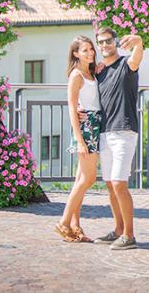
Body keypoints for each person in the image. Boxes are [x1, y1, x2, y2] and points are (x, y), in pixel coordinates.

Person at [89, 26, 144, 251]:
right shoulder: (99, 72)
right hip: (105, 132)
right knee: (111, 185)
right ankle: (119, 230)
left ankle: (129, 236)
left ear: (115, 41)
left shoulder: (126, 65)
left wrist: (139, 41)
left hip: (124, 131)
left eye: (108, 41)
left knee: (120, 184)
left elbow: (137, 56)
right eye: (100, 42)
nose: (104, 45)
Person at [54, 35, 102, 243]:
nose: (90, 53)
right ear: (75, 53)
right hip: (88, 127)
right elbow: (72, 107)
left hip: (96, 123)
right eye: (85, 50)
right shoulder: (76, 75)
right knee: (88, 179)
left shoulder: (91, 72)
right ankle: (64, 222)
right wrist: (80, 139)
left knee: (79, 180)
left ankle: (75, 226)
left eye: (91, 49)